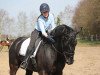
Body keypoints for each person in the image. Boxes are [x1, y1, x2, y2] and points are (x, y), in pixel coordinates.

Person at [20, 3, 56, 69]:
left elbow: (53, 27)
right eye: (43, 12)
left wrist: (54, 35)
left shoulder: (51, 16)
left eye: (46, 11)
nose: (45, 13)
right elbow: (43, 32)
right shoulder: (40, 19)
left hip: (47, 32)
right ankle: (25, 61)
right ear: (41, 12)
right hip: (37, 32)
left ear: (48, 10)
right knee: (31, 45)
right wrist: (48, 37)